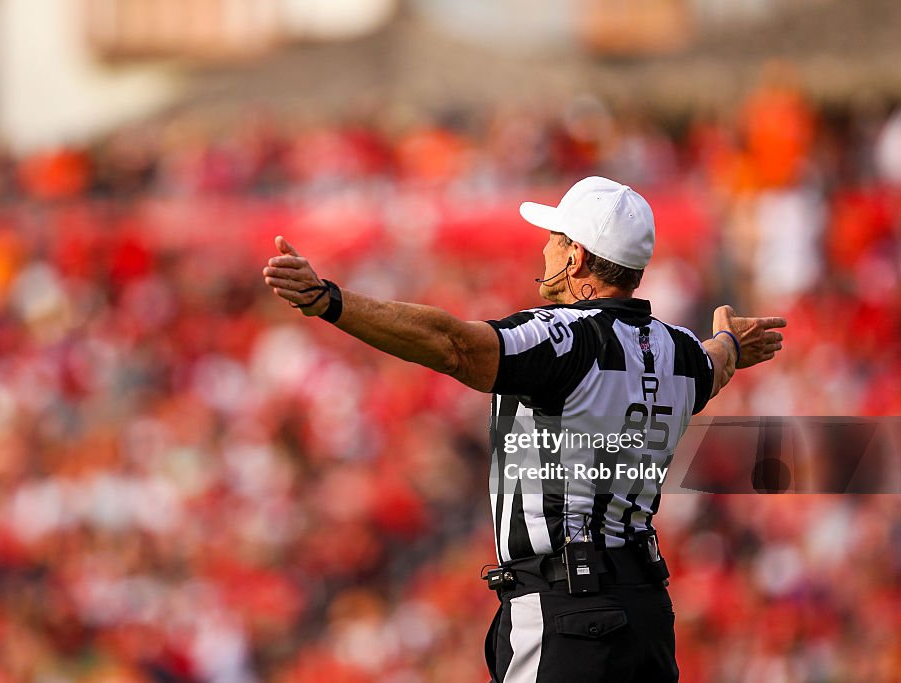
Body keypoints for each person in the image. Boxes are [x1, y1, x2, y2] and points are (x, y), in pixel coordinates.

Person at [261, 176, 786, 682]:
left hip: (566, 611)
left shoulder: (565, 339)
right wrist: (733, 345)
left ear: (576, 257)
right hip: (646, 609)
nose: (545, 252)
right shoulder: (680, 350)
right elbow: (714, 364)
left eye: (554, 241)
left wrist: (329, 301)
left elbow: (454, 345)